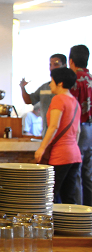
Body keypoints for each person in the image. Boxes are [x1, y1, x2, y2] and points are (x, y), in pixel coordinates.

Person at [35, 67, 81, 204]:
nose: (50, 84)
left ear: (60, 83)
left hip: (60, 155)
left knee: (50, 195)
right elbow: (78, 131)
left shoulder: (58, 99)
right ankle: (70, 219)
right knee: (69, 197)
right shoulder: (75, 102)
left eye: (52, 81)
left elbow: (54, 126)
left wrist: (42, 148)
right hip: (75, 155)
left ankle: (53, 219)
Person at [20, 54, 67, 134]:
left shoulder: (69, 87)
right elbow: (28, 100)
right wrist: (22, 88)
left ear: (64, 66)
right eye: (50, 65)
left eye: (56, 64)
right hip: (47, 132)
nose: (52, 68)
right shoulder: (45, 87)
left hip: (63, 133)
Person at [69, 44, 92, 206]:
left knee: (75, 171)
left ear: (71, 60)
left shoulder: (74, 80)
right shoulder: (90, 78)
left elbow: (72, 107)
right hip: (91, 129)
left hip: (79, 129)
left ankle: (78, 210)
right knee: (88, 172)